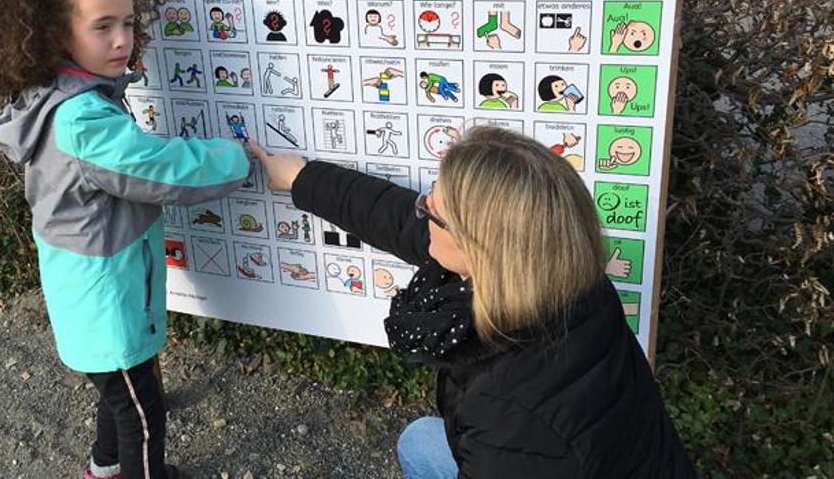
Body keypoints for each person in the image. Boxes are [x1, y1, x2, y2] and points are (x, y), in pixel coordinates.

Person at [0, 0, 250, 479]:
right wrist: (237, 157)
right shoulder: (83, 120)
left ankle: (101, 470)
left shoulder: (59, 93)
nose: (123, 39)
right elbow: (160, 169)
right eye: (103, 27)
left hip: (91, 288)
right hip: (105, 296)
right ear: (55, 34)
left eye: (128, 23)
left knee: (118, 393)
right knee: (142, 413)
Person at [250, 127, 695, 478]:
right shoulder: (561, 272)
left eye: (433, 212)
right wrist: (302, 178)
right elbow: (400, 219)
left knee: (421, 445)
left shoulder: (510, 412)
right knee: (421, 440)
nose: (421, 208)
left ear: (478, 247)